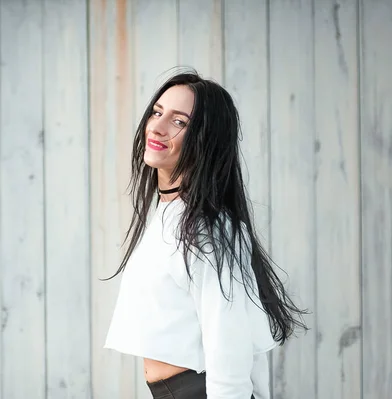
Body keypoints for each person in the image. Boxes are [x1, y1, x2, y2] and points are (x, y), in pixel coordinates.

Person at [103, 70, 308, 399]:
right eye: (157, 112)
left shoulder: (205, 228)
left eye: (179, 121)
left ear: (205, 139)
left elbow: (232, 343)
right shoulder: (170, 215)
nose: (157, 126)